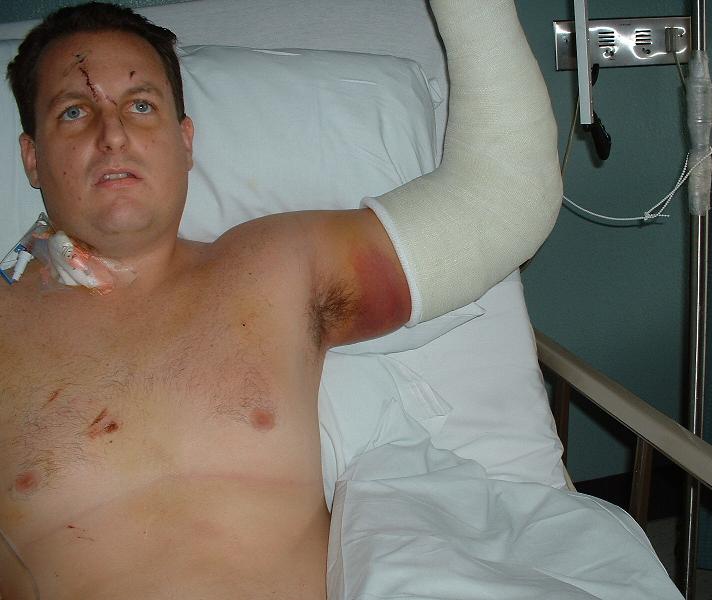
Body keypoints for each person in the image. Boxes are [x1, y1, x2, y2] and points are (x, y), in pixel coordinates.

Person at [0, 1, 561, 598]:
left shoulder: (276, 269)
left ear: (186, 143)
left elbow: (501, 203)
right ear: (32, 157)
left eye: (140, 106)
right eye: (74, 111)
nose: (112, 135)